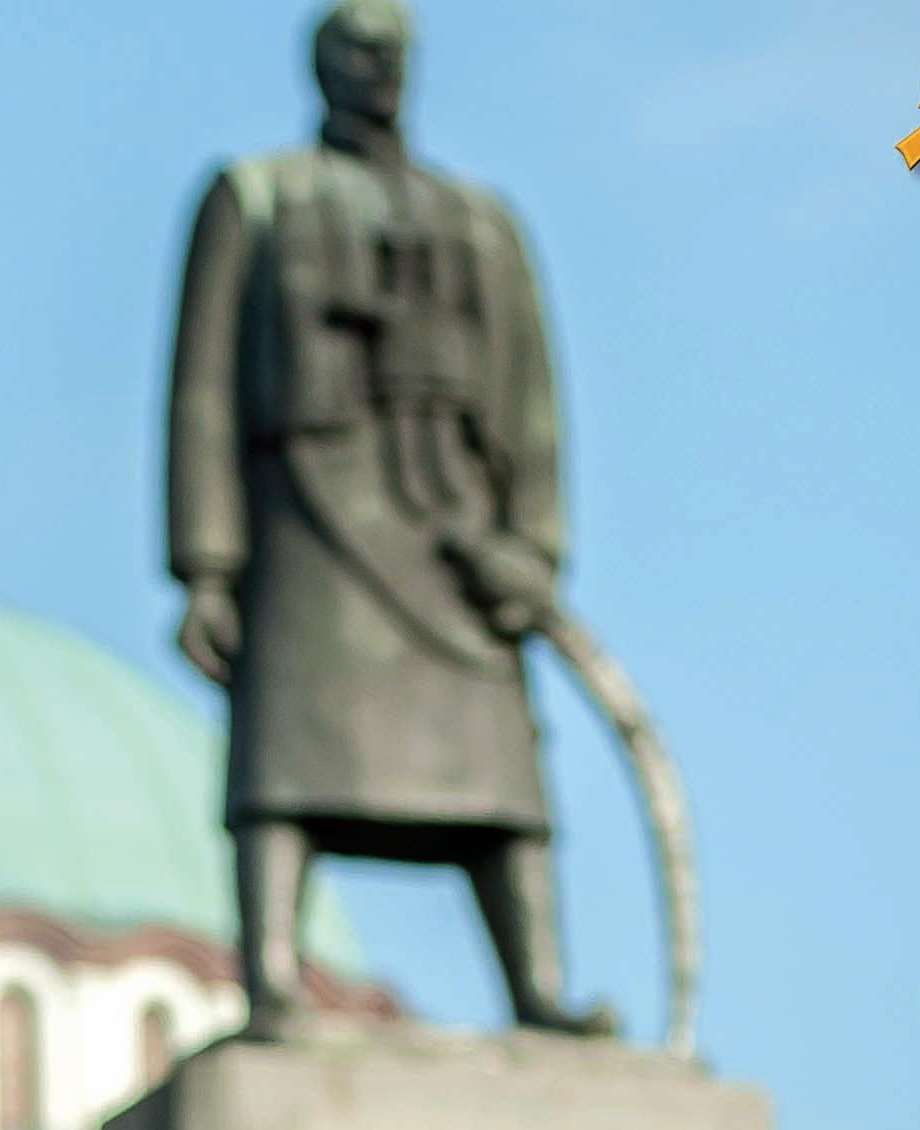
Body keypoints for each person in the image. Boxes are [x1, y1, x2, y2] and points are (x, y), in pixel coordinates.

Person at [168, 0, 613, 1038]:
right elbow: (201, 395)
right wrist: (206, 567)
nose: (377, 68)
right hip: (309, 518)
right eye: (357, 50)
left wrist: (533, 549)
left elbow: (532, 400)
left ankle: (537, 988)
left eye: (393, 51)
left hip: (454, 531)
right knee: (288, 751)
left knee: (500, 768)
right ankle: (271, 976)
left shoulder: (480, 220)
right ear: (320, 65)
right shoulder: (257, 198)